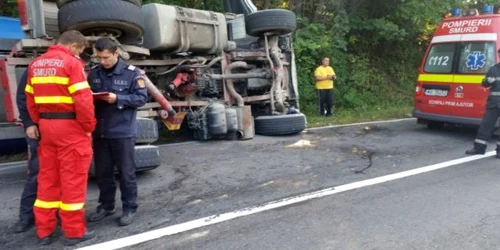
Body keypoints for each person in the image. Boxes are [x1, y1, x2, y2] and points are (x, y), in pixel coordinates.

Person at [25, 30, 96, 246]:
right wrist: (88, 126)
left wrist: (37, 122)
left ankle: (44, 230)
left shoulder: (35, 64)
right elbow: (83, 100)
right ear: (74, 46)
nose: (80, 55)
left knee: (48, 179)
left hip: (46, 127)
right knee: (73, 180)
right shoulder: (72, 63)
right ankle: (74, 231)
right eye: (80, 50)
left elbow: (30, 99)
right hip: (70, 127)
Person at [87, 37, 148, 227]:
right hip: (100, 131)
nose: (102, 62)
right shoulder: (94, 74)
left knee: (126, 173)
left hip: (122, 131)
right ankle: (106, 205)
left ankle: (129, 207)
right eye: (99, 58)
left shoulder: (132, 74)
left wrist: (118, 99)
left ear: (116, 53)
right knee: (103, 173)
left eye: (106, 57)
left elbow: (141, 98)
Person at [13, 70, 39, 233]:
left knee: (59, 175)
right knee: (37, 172)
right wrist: (29, 123)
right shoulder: (35, 69)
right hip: (39, 129)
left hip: (58, 131)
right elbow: (22, 98)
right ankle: (26, 217)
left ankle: (54, 214)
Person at [466, 48, 500, 157]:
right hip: (493, 103)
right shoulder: (493, 69)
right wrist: (487, 81)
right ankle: (479, 148)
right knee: (485, 126)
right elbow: (484, 84)